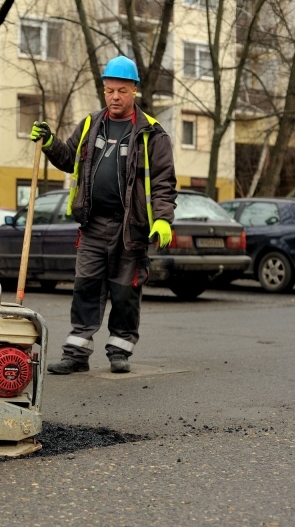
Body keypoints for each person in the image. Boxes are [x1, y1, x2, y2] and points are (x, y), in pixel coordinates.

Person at [30, 55, 176, 375]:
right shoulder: (90, 124)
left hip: (130, 227)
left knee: (124, 293)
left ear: (134, 90)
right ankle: (76, 353)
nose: (114, 97)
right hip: (93, 225)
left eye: (121, 91)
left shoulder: (152, 133)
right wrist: (50, 142)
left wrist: (163, 219)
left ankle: (119, 351)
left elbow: (164, 183)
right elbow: (69, 159)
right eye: (109, 90)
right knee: (85, 288)